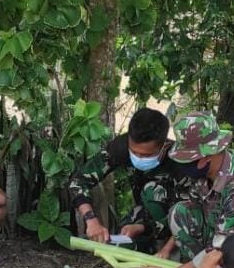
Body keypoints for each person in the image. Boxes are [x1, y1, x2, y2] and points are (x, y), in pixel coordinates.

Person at [140, 111, 234, 268]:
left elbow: (218, 251)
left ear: (207, 157)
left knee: (219, 256)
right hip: (218, 236)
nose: (184, 166)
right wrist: (166, 249)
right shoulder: (207, 173)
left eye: (188, 160)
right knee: (180, 212)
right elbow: (194, 205)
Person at [67, 107, 195, 253]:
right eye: (134, 152)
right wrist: (91, 220)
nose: (139, 158)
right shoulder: (120, 147)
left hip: (177, 220)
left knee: (153, 191)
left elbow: (189, 212)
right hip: (146, 217)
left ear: (164, 146)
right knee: (119, 247)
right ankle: (150, 246)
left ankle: (173, 250)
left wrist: (165, 249)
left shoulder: (180, 162)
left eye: (147, 155)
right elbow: (78, 181)